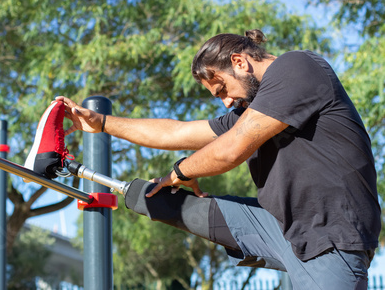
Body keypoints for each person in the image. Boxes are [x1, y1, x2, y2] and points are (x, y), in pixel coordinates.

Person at [54, 29, 381, 289]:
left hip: (332, 234)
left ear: (240, 62)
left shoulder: (296, 67)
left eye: (222, 89)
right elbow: (175, 134)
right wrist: (101, 123)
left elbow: (230, 151)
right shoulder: (249, 111)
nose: (225, 103)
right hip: (285, 227)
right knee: (167, 202)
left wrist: (181, 170)